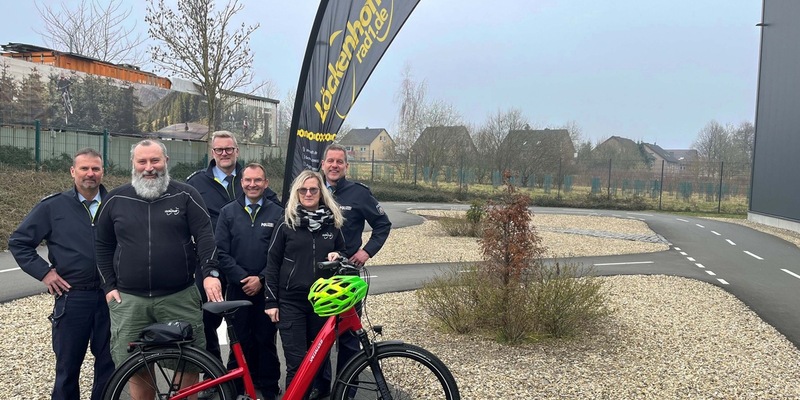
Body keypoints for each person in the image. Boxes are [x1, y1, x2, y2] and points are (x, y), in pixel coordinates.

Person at [95, 139, 222, 398]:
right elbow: (101, 244)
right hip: (129, 301)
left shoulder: (186, 195)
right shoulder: (115, 199)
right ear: (133, 164)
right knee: (136, 367)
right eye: (142, 161)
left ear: (166, 161)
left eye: (155, 160)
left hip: (179, 297)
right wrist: (108, 286)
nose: (149, 167)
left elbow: (206, 237)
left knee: (187, 365)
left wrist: (209, 273)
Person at [8, 148, 114, 400]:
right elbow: (19, 242)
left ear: (102, 171)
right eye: (84, 168)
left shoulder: (116, 203)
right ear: (72, 171)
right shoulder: (52, 207)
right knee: (67, 369)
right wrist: (45, 273)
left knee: (109, 368)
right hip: (72, 298)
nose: (90, 174)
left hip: (111, 298)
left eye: (95, 168)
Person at [187, 130, 280, 361]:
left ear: (237, 151)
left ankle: (253, 375)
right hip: (212, 263)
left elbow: (276, 210)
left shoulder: (251, 177)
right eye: (219, 149)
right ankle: (214, 377)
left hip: (244, 264)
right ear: (212, 152)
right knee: (207, 320)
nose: (224, 153)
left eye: (229, 149)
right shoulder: (196, 182)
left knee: (252, 323)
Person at [264, 170, 345, 396]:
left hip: (323, 301)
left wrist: (338, 256)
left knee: (319, 359)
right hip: (291, 302)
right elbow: (272, 263)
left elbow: (344, 252)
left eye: (313, 189)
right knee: (297, 363)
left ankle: (321, 393)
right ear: (296, 193)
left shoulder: (333, 224)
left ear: (321, 192)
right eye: (303, 190)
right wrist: (271, 301)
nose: (308, 193)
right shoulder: (286, 223)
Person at [320, 143, 392, 393]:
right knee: (319, 336)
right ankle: (321, 387)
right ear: (323, 164)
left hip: (346, 274)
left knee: (348, 336)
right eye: (330, 161)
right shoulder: (311, 189)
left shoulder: (359, 194)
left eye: (339, 161)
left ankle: (346, 391)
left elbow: (383, 225)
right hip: (317, 272)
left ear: (346, 166)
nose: (334, 165)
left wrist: (366, 251)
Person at [215, 163, 283, 399]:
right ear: (241, 183)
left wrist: (261, 279)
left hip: (267, 290)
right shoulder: (228, 212)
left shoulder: (278, 213)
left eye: (258, 180)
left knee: (265, 340)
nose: (252, 185)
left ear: (266, 183)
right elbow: (221, 252)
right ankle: (235, 388)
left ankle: (269, 387)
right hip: (237, 288)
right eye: (248, 180)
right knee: (239, 340)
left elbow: (281, 253)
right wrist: (244, 278)